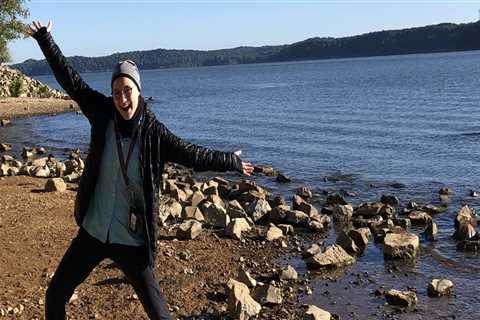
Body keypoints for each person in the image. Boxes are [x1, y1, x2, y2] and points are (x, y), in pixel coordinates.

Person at [27, 20, 254, 320]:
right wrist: (45, 39)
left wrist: (231, 161)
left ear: (138, 90)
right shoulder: (102, 113)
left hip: (132, 239)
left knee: (159, 315)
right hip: (94, 230)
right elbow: (71, 81)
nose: (122, 99)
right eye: (117, 92)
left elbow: (192, 154)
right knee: (55, 294)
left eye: (127, 90)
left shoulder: (154, 133)